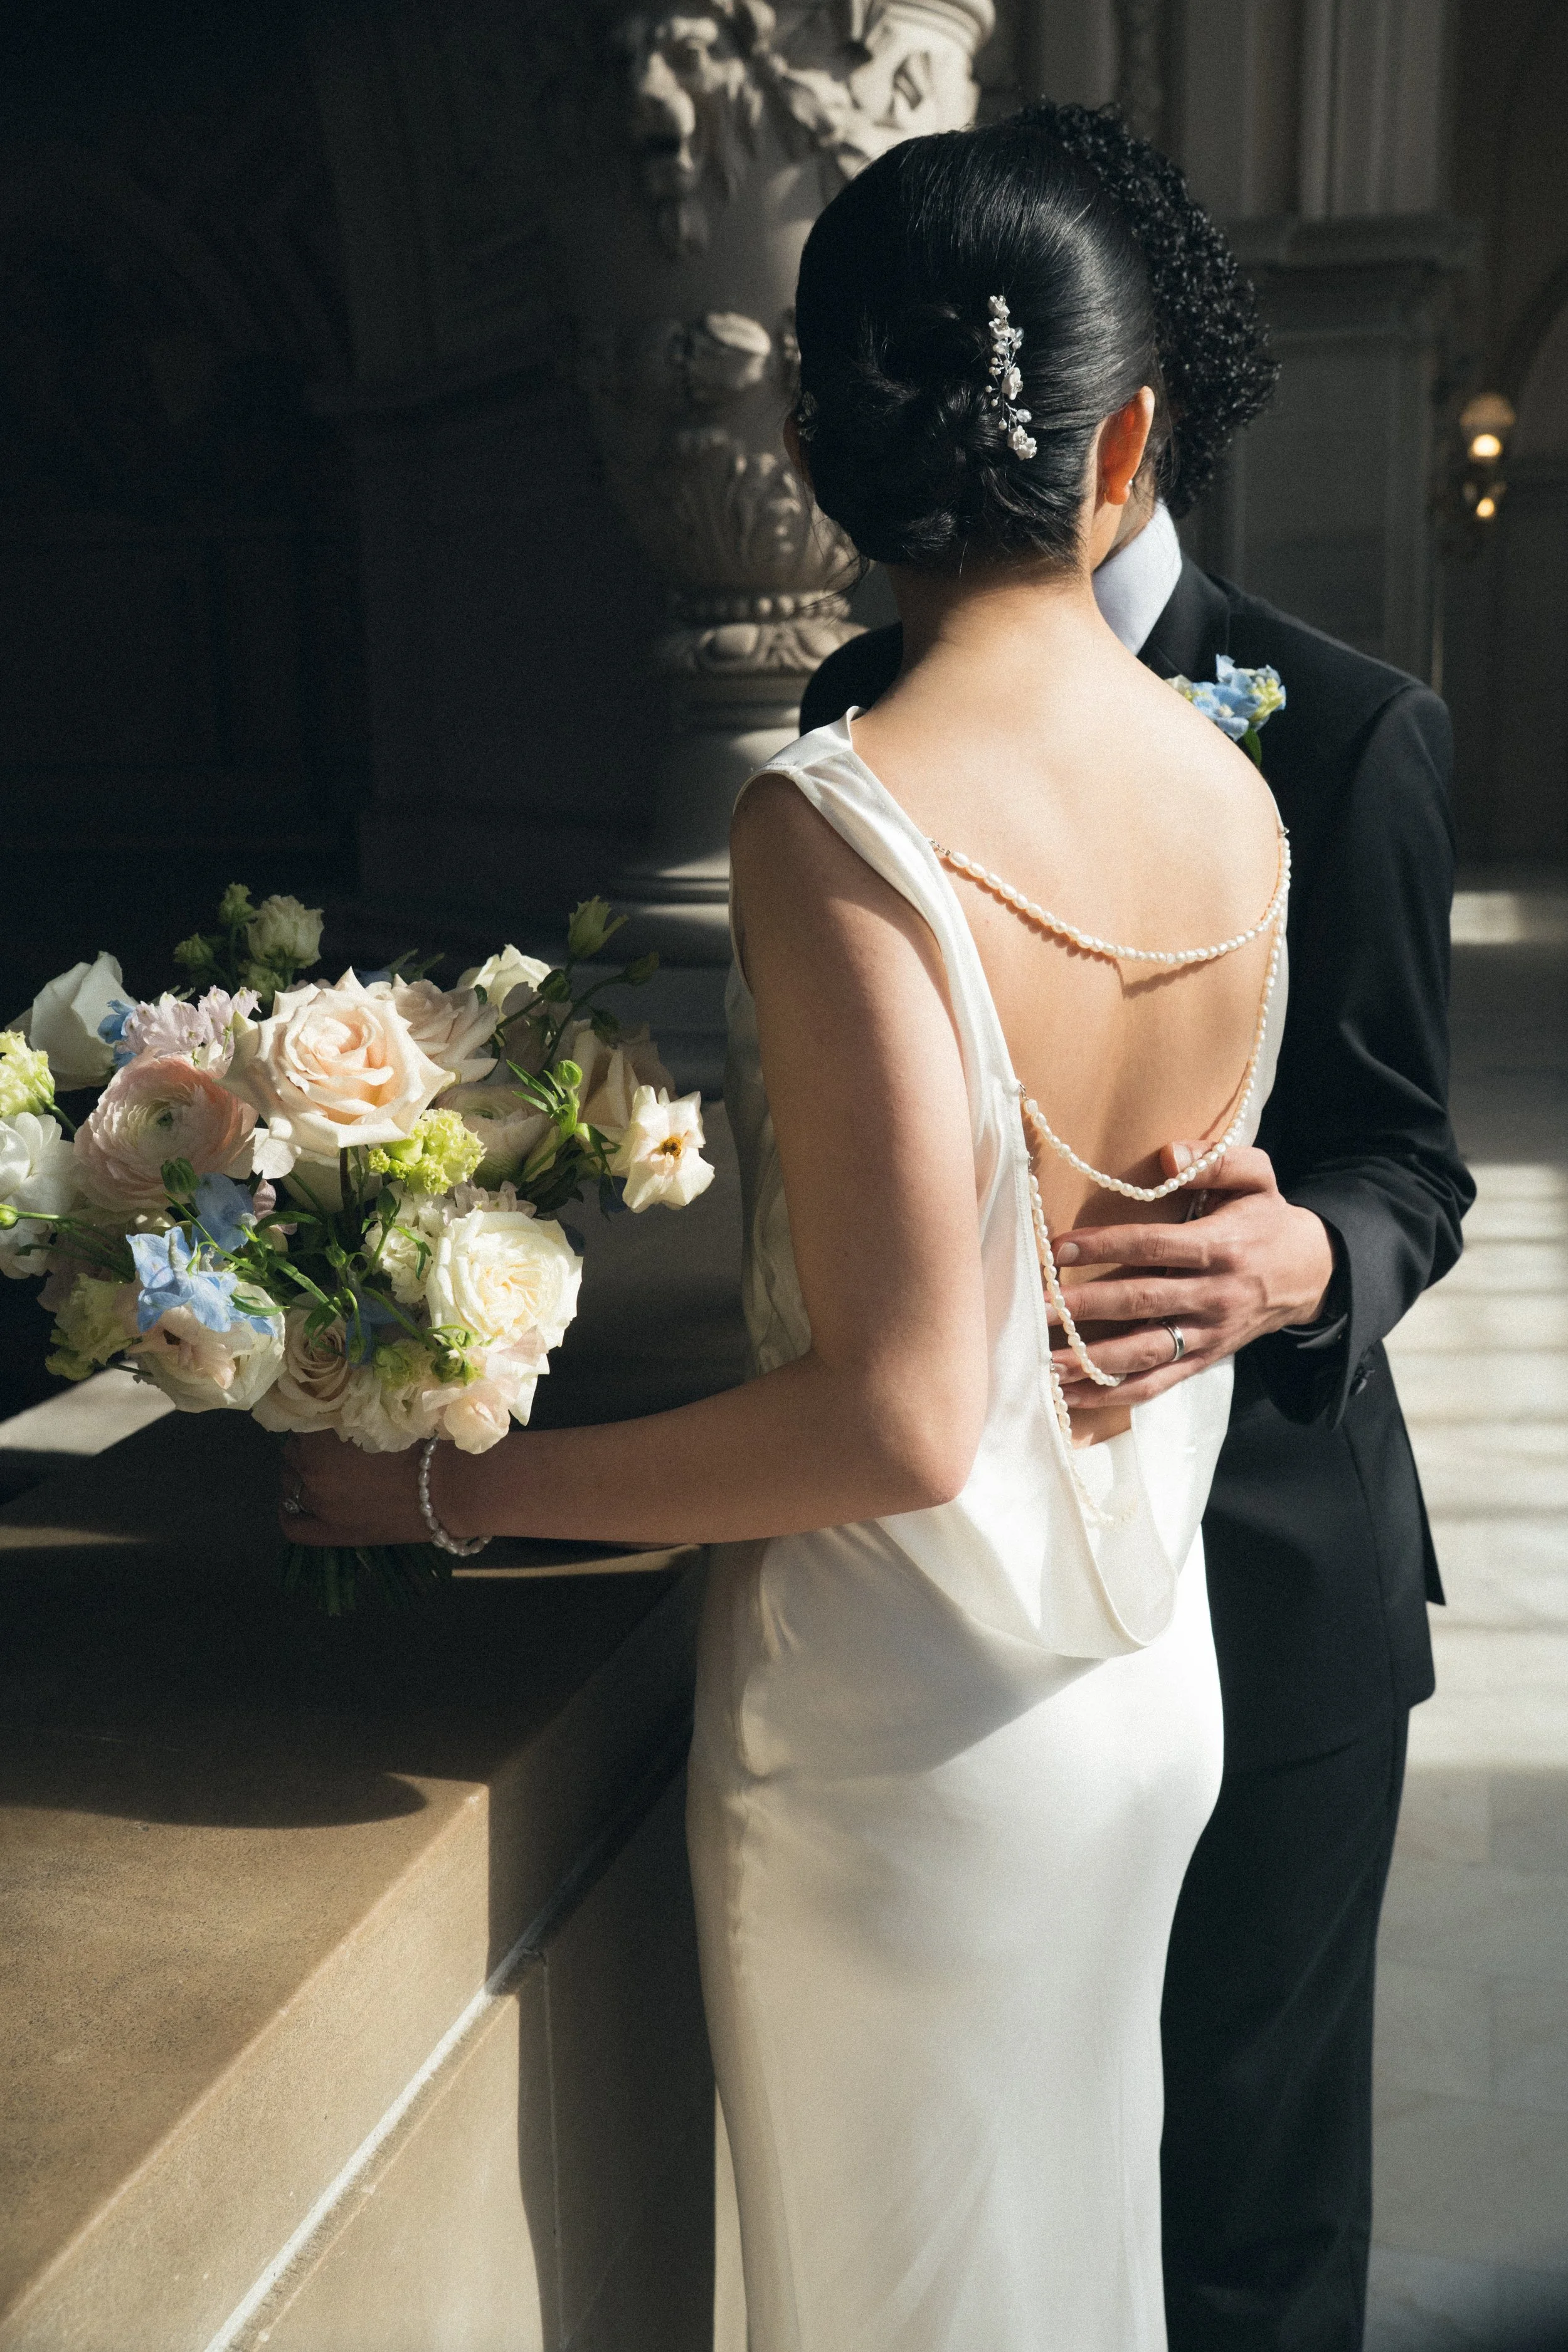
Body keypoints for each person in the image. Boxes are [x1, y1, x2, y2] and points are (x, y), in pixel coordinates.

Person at [282, 118, 1293, 2348]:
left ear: (814, 438)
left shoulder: (840, 817)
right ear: (1127, 437)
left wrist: (446, 1484)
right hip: (1139, 1685)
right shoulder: (1230, 787)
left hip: (907, 1749)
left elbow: (908, 1417)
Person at [798, 103, 1474, 2352]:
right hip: (966, 1616)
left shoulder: (1350, 731)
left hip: (1271, 1573)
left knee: (1249, 2200)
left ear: (1132, 416)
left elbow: (1407, 1157)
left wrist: (1305, 1262)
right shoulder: (845, 723)